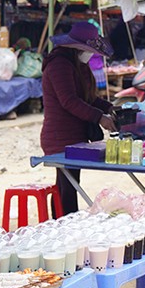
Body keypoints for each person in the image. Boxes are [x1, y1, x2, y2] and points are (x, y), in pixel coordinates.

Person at [40, 22, 116, 214]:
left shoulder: (77, 64)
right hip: (60, 136)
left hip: (76, 135)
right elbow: (69, 101)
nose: (90, 54)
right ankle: (64, 225)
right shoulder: (59, 65)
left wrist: (110, 108)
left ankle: (63, 222)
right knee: (67, 185)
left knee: (70, 183)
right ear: (77, 47)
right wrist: (100, 118)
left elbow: (88, 97)